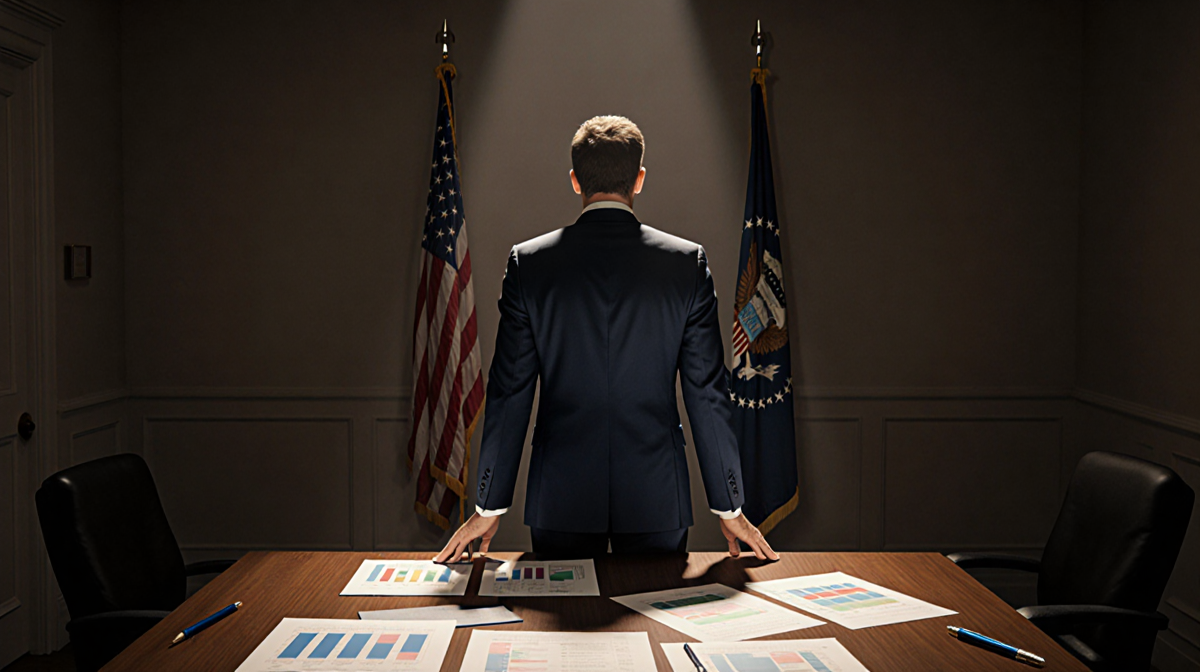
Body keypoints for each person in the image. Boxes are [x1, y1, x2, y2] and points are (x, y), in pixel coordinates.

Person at [434, 116, 777, 562]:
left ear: (576, 181)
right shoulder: (685, 264)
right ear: (639, 179)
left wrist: (488, 505)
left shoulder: (530, 264)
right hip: (657, 499)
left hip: (561, 499)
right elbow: (707, 394)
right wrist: (729, 507)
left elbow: (509, 391)